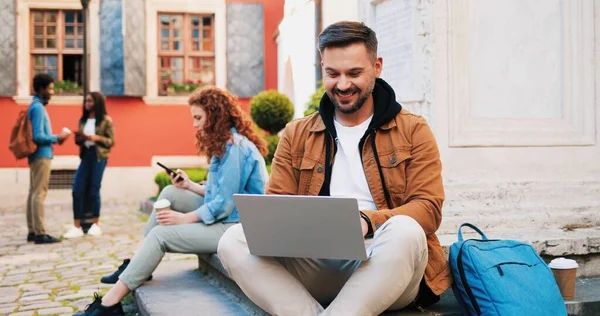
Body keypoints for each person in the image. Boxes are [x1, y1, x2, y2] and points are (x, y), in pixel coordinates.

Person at [217, 21, 451, 315]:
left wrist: (367, 220)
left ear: (377, 66)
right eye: (332, 73)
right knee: (232, 241)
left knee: (406, 230)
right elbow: (275, 206)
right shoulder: (296, 133)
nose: (342, 85)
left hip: (384, 262)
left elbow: (429, 208)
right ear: (322, 67)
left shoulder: (413, 129)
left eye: (354, 73)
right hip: (312, 261)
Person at [75, 86, 269, 316]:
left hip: (236, 227)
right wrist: (188, 185)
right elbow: (218, 193)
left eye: (198, 118)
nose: (194, 124)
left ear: (215, 116)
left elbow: (224, 204)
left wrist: (184, 219)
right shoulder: (226, 145)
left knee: (160, 235)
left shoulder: (235, 148)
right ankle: (139, 264)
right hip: (229, 216)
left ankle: (109, 305)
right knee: (170, 192)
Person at [26, 73, 71, 244]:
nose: (52, 92)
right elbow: (38, 136)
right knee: (39, 193)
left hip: (36, 156)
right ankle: (40, 233)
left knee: (33, 192)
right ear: (42, 89)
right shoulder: (38, 108)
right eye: (50, 88)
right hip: (41, 155)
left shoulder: (35, 106)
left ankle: (32, 230)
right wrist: (57, 138)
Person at [64, 92, 115, 239]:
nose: (87, 103)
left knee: (94, 189)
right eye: (86, 101)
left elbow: (111, 141)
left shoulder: (106, 120)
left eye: (90, 101)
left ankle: (95, 224)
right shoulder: (83, 120)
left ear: (97, 103)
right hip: (86, 155)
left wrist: (95, 137)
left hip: (99, 156)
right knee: (77, 189)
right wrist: (79, 138)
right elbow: (81, 141)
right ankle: (76, 226)